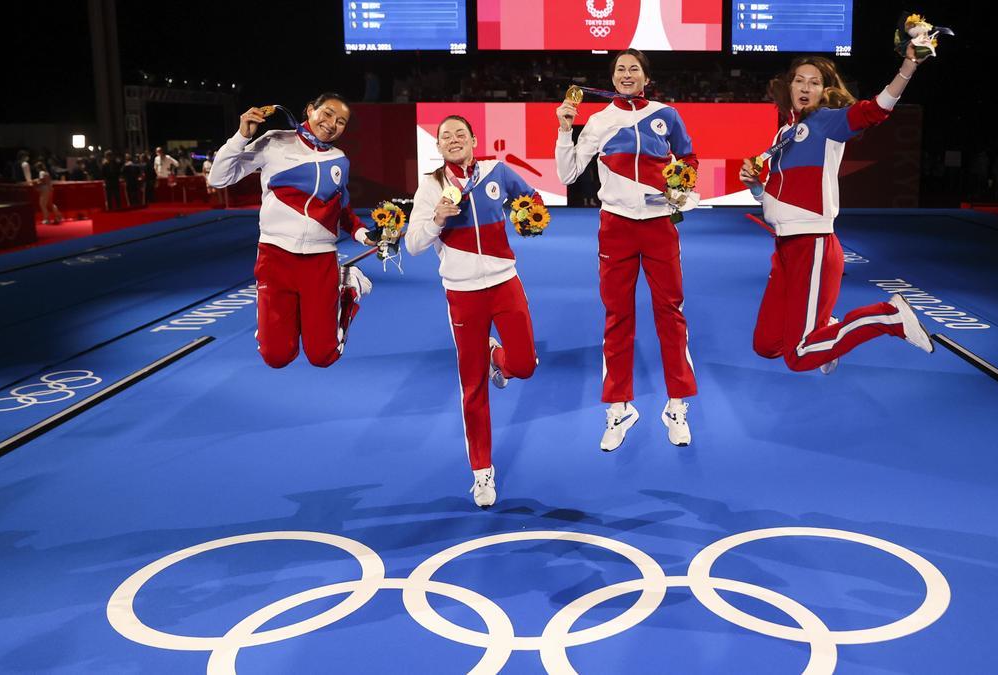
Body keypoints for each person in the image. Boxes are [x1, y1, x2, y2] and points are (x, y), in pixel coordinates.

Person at [740, 49, 936, 375]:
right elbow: (772, 201)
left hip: (812, 244)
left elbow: (876, 110)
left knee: (799, 356)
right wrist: (756, 187)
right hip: (785, 248)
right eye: (799, 81)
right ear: (788, 87)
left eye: (814, 82)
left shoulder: (827, 121)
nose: (805, 87)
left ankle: (889, 316)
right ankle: (827, 329)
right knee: (766, 345)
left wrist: (909, 65)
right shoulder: (784, 134)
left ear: (825, 90)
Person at [555, 48, 699, 453]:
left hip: (658, 226)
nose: (626, 73)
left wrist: (682, 186)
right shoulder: (600, 121)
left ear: (645, 77)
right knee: (618, 315)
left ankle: (676, 404)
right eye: (620, 68)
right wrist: (566, 128)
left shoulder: (666, 114)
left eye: (633, 68)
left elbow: (688, 157)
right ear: (612, 77)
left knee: (670, 313)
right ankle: (619, 407)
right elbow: (567, 173)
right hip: (615, 226)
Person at [406, 115, 544, 508]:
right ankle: (482, 472)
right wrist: (437, 220)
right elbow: (414, 244)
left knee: (525, 364)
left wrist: (526, 219)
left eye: (459, 134)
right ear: (438, 146)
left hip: (505, 282)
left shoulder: (497, 172)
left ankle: (494, 355)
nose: (453, 140)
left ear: (473, 140)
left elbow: (531, 201)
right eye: (445, 136)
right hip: (463, 293)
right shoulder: (431, 186)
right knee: (473, 388)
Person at [207, 92, 373, 369]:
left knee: (323, 356)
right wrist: (241, 136)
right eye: (328, 114)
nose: (332, 123)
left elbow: (340, 209)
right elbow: (219, 178)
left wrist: (363, 235)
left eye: (341, 121)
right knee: (277, 357)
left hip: (320, 262)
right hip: (275, 257)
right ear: (310, 109)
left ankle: (348, 289)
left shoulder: (339, 159)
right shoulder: (274, 141)